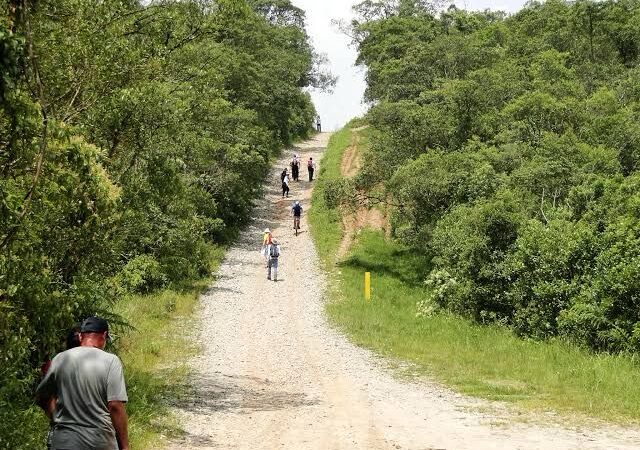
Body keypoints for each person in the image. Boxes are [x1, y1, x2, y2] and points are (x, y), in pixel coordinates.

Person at [36, 317, 129, 450]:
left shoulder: (61, 358)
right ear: (104, 335)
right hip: (99, 441)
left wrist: (55, 418)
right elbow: (115, 405)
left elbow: (43, 397)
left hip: (64, 441)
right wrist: (124, 446)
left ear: (80, 336)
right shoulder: (111, 361)